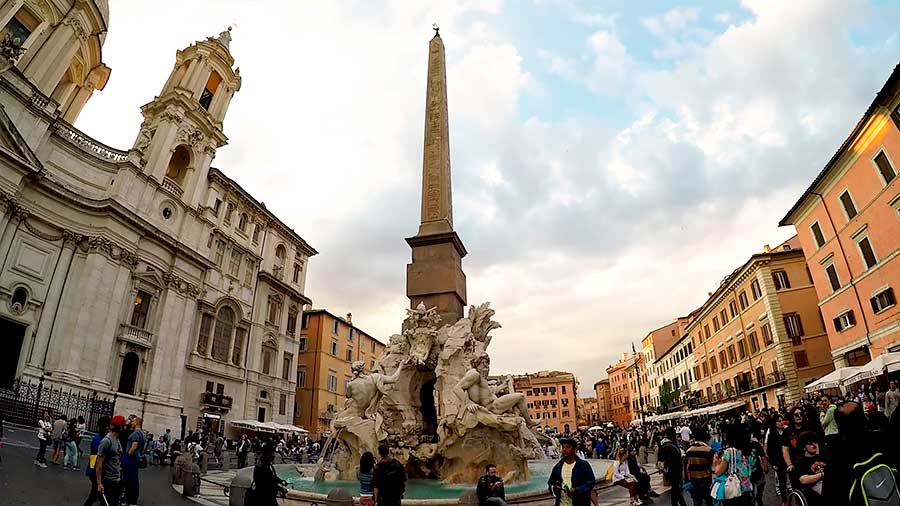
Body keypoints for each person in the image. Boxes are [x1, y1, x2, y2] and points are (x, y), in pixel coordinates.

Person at [712, 423, 753, 506]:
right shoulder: (748, 450)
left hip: (735, 490)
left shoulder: (730, 451)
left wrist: (716, 463)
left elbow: (718, 472)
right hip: (747, 488)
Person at [93, 415, 126, 506]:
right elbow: (99, 463)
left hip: (116, 480)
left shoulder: (117, 439)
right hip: (108, 481)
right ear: (120, 427)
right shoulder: (107, 441)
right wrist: (99, 483)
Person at [791, 432, 826, 506]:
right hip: (811, 491)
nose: (813, 445)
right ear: (804, 447)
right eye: (810, 443)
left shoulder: (822, 457)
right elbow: (804, 480)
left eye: (815, 442)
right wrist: (822, 474)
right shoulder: (800, 463)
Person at [84, 416, 110, 506]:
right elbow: (95, 457)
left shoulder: (99, 438)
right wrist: (94, 471)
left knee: (95, 495)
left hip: (94, 470)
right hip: (96, 470)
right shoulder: (100, 440)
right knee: (94, 495)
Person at [684, 427, 714, 506]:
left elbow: (687, 467)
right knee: (708, 501)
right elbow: (713, 466)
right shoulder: (708, 450)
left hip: (694, 481)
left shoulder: (688, 451)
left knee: (696, 501)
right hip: (706, 480)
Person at [765, 413, 789, 504]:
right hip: (779, 462)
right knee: (782, 482)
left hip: (789, 460)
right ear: (775, 423)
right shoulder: (772, 435)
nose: (781, 422)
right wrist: (773, 464)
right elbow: (770, 451)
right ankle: (785, 500)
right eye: (779, 421)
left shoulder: (787, 431)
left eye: (782, 420)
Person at [658, 428, 686, 506]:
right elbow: (673, 460)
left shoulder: (666, 445)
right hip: (674, 471)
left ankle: (677, 504)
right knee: (676, 489)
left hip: (671, 471)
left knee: (675, 489)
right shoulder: (669, 446)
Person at [122, 415, 145, 506]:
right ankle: (132, 500)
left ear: (137, 423)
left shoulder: (135, 434)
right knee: (134, 479)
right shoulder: (142, 433)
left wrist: (128, 455)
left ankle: (129, 499)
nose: (131, 422)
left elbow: (134, 446)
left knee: (129, 480)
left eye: (133, 421)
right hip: (136, 459)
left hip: (131, 459)